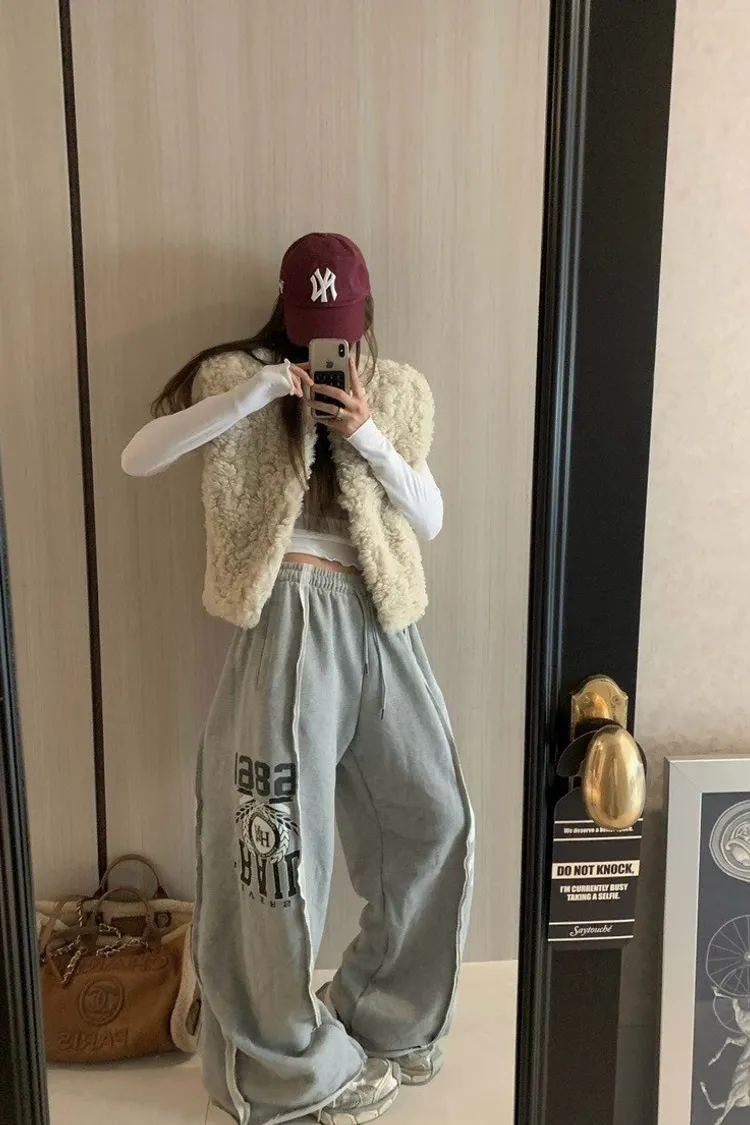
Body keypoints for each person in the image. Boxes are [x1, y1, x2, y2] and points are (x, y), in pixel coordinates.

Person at [121, 233, 475, 1125]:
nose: (327, 344)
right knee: (276, 854)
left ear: (365, 316)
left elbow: (430, 516)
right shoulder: (240, 379)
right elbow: (140, 456)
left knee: (434, 816)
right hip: (288, 617)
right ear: (287, 312)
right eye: (312, 325)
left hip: (385, 619)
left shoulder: (396, 391)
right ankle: (278, 1064)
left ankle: (386, 1016)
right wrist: (254, 395)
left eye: (341, 326)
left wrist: (366, 435)